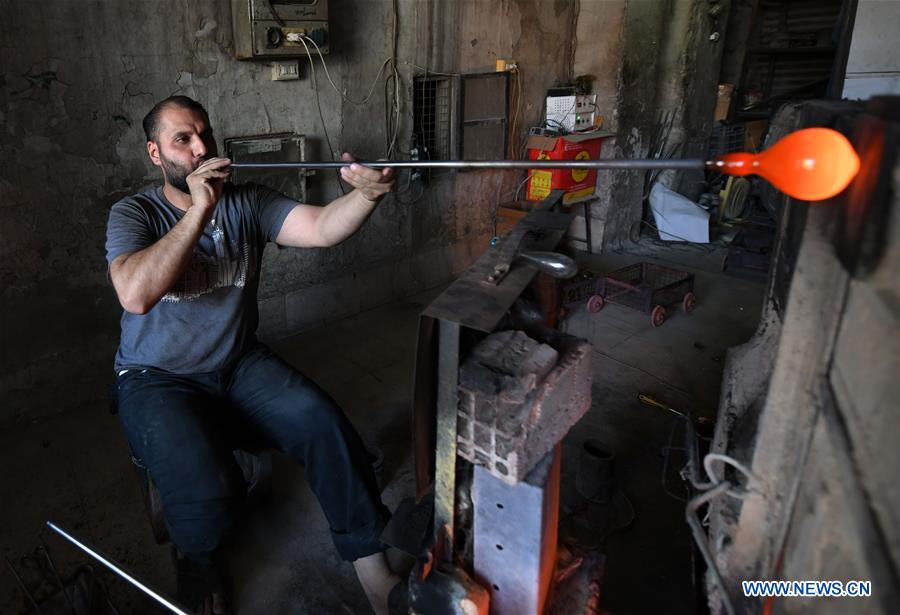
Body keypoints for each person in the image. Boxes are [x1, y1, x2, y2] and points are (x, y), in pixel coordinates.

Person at [105, 95, 399, 614]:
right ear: (156, 153)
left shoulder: (249, 202)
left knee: (322, 423)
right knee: (206, 495)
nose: (201, 148)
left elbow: (322, 228)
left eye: (205, 134)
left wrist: (366, 196)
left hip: (238, 363)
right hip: (156, 376)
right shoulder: (134, 213)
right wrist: (200, 209)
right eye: (183, 140)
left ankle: (372, 565)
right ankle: (197, 559)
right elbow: (135, 293)